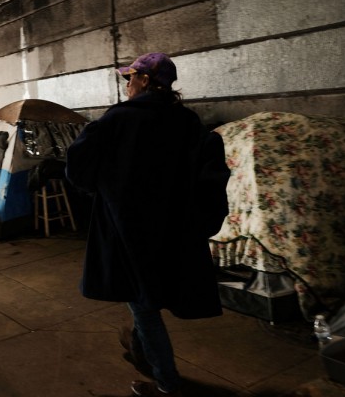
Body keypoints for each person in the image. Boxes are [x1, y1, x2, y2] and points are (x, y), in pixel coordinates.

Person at [65, 52, 230, 397]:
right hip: (174, 229)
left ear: (144, 80)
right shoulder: (188, 122)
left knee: (144, 306)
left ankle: (167, 383)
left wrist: (103, 188)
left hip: (128, 230)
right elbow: (210, 173)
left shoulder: (117, 119)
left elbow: (78, 167)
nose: (127, 84)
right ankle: (140, 349)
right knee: (147, 296)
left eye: (130, 78)